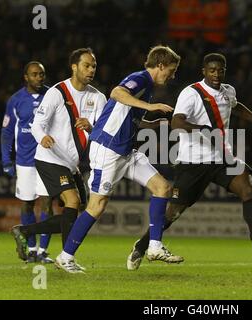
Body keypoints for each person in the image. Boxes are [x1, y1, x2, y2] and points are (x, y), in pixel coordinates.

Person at [127, 53, 252, 271]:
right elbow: (177, 122)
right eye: (212, 70)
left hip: (221, 158)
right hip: (193, 161)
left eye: (220, 70)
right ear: (204, 71)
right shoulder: (191, 93)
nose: (216, 74)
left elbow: (235, 106)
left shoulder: (229, 91)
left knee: (248, 190)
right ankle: (141, 246)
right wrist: (202, 130)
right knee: (173, 213)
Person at [54, 45, 184, 273]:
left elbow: (127, 116)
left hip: (127, 151)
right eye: (171, 70)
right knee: (96, 206)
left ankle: (154, 246)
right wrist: (150, 106)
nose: (172, 76)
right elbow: (117, 93)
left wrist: (151, 123)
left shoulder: (149, 86)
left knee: (162, 187)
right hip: (109, 149)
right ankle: (65, 257)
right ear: (161, 65)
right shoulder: (140, 78)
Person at [10, 48, 107, 264]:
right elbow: (37, 125)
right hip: (49, 157)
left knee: (76, 212)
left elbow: (103, 132)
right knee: (71, 201)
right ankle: (66, 259)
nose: (91, 70)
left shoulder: (98, 97)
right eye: (86, 65)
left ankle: (25, 232)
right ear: (74, 66)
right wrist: (42, 137)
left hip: (72, 164)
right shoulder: (57, 92)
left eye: (94, 66)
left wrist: (91, 127)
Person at [1, 61, 54, 263]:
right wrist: (7, 160)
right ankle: (31, 249)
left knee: (48, 205)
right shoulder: (15, 100)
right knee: (27, 204)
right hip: (25, 162)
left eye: (42, 74)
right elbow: (6, 132)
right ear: (26, 77)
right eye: (34, 74)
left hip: (48, 159)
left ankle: (43, 251)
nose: (39, 78)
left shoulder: (52, 96)